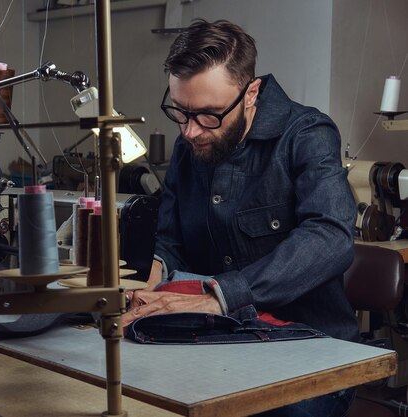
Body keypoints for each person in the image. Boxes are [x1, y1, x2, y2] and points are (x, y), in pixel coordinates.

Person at [122, 19, 359, 417]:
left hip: (310, 351)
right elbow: (170, 240)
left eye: (208, 116)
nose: (191, 132)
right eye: (180, 113)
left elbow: (330, 237)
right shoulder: (189, 147)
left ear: (251, 94)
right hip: (219, 343)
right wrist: (151, 282)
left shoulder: (307, 134)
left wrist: (223, 297)